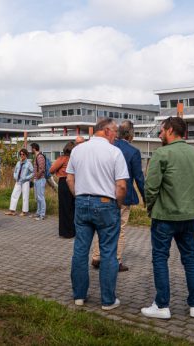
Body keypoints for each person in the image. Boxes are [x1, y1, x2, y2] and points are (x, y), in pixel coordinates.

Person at [141, 116, 194, 319]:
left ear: (170, 130)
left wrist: (150, 207)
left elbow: (151, 186)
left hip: (165, 216)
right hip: (190, 217)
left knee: (160, 258)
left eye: (162, 130)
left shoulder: (162, 153)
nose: (160, 134)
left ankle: (162, 306)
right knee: (190, 259)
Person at [66, 118, 128, 310]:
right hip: (106, 203)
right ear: (107, 131)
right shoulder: (114, 152)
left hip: (82, 201)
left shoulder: (78, 150)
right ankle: (108, 300)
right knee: (108, 252)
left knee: (80, 250)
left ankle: (79, 296)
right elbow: (122, 185)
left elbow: (69, 179)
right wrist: (117, 204)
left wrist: (80, 196)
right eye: (115, 133)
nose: (116, 137)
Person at [92, 120, 145, 272]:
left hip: (104, 194)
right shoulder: (133, 152)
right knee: (120, 229)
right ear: (131, 135)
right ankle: (117, 260)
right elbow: (139, 177)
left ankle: (96, 256)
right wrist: (145, 197)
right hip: (124, 195)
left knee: (103, 227)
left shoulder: (108, 147)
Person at [49, 142, 76, 238]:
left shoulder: (63, 158)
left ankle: (66, 232)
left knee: (64, 207)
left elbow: (51, 170)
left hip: (64, 182)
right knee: (72, 207)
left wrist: (58, 171)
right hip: (75, 182)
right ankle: (73, 230)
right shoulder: (75, 158)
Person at [5, 148, 33, 217]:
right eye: (20, 154)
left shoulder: (29, 163)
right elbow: (15, 171)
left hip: (25, 182)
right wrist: (15, 176)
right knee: (14, 194)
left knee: (25, 196)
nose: (21, 155)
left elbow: (33, 172)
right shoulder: (18, 163)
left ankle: (24, 212)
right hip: (18, 181)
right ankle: (12, 211)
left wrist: (26, 178)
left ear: (26, 155)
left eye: (23, 154)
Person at [30, 143, 47, 221]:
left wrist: (37, 176)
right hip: (37, 179)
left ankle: (42, 215)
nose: (30, 150)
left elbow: (41, 168)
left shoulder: (40, 156)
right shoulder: (36, 156)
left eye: (31, 148)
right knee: (38, 197)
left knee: (41, 197)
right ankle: (38, 213)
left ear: (34, 148)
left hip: (40, 179)